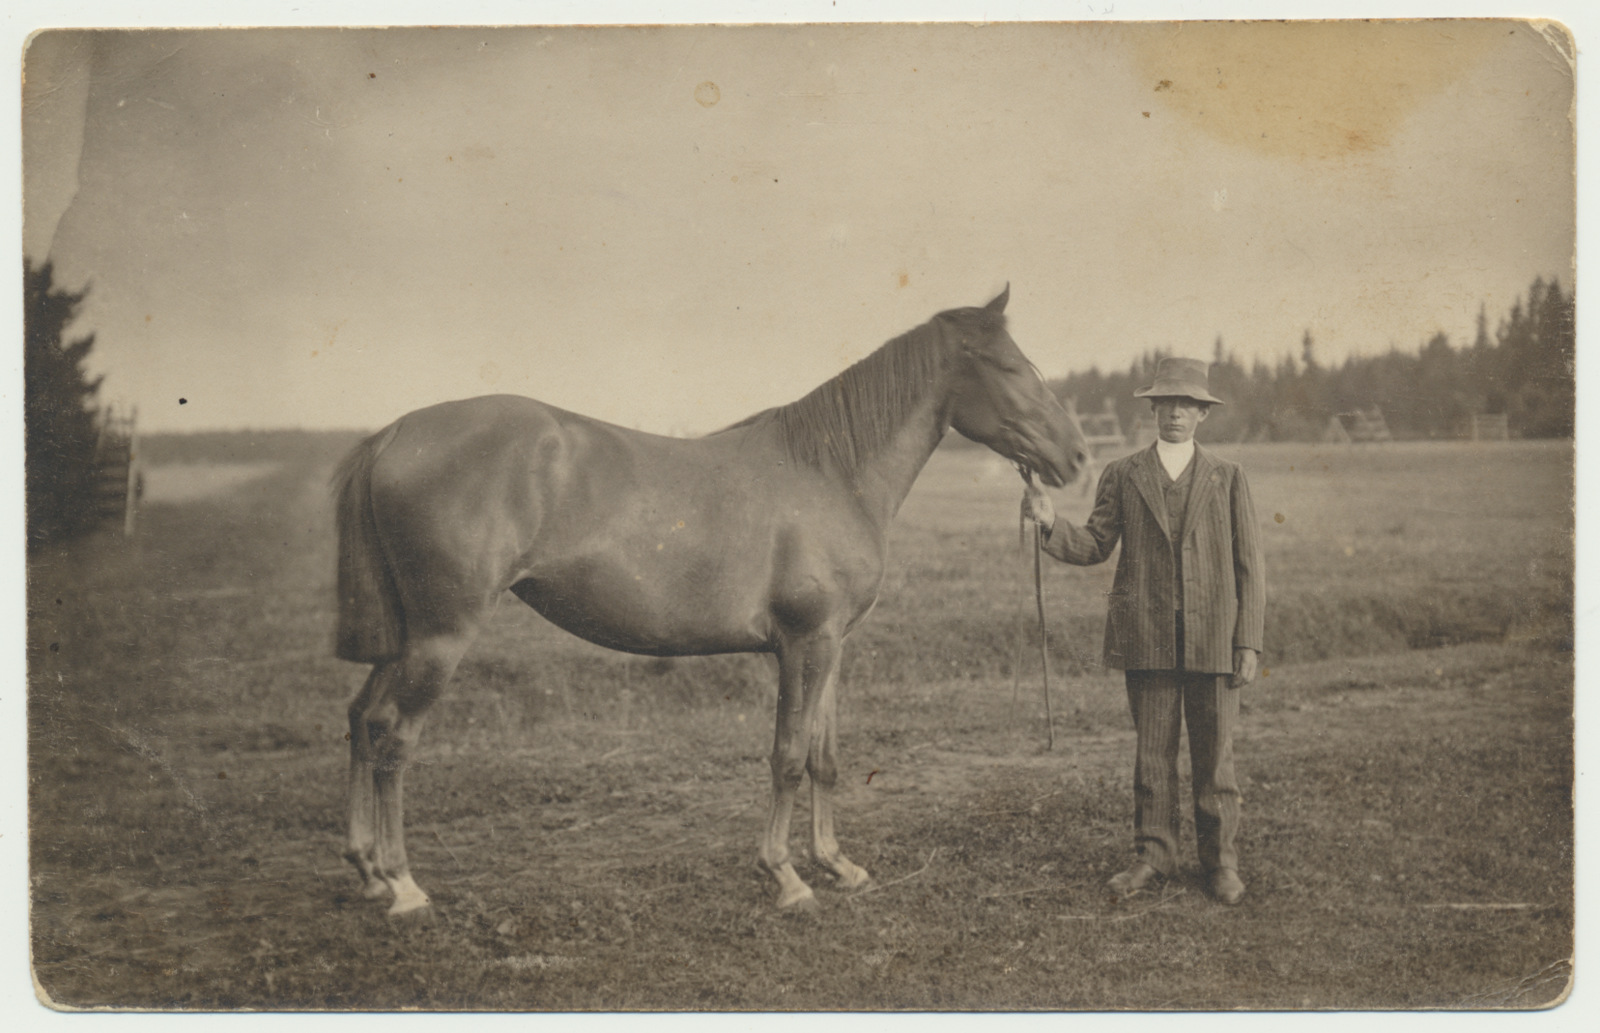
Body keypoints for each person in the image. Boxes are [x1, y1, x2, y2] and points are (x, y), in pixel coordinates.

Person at [1022, 357, 1265, 905]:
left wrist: (1247, 640)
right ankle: (1154, 856)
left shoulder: (1229, 477)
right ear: (1152, 409)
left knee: (1215, 759)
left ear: (1203, 414)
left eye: (1187, 404)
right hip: (1146, 637)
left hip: (1214, 640)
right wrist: (1049, 523)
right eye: (1166, 403)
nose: (1175, 413)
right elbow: (1095, 544)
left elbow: (1251, 565)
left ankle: (1221, 863)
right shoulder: (1123, 473)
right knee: (1153, 756)